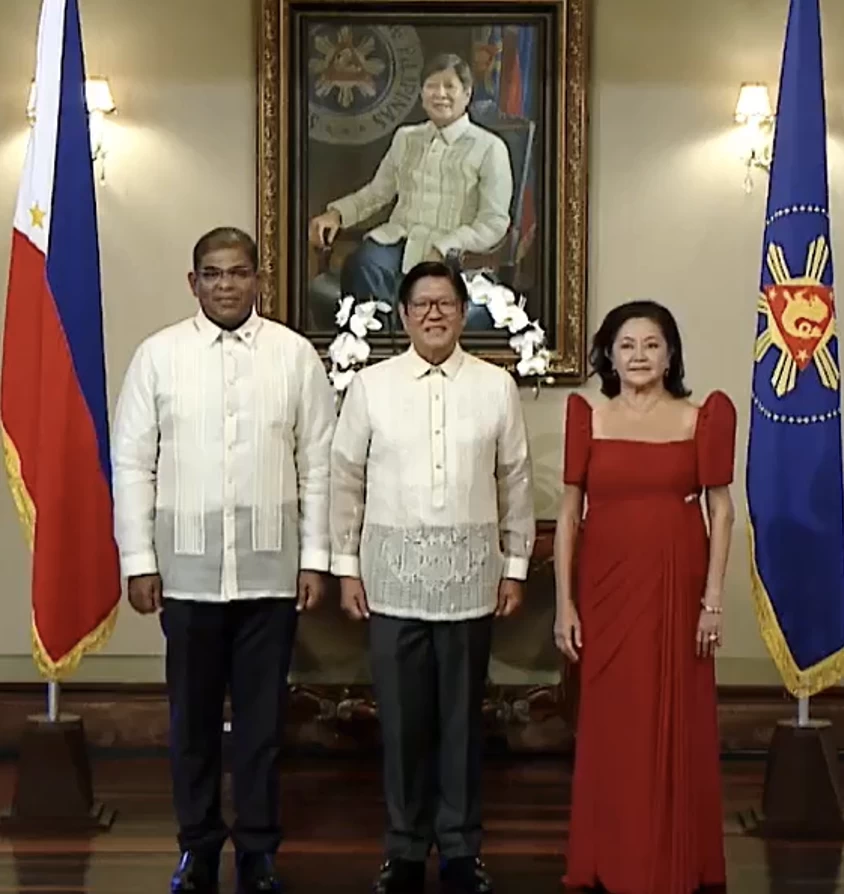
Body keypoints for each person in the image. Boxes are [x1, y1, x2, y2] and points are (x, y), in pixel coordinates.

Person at [111, 227, 335, 894]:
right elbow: (132, 464)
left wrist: (315, 557)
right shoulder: (158, 357)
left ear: (258, 280)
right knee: (193, 723)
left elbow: (317, 465)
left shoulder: (295, 357)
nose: (226, 285)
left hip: (270, 571)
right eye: (213, 274)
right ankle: (199, 846)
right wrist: (138, 559)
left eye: (238, 273)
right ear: (194, 283)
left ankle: (260, 851)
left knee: (263, 725)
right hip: (185, 573)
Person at [329, 261, 534, 894]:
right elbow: (345, 479)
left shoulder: (496, 385)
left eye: (445, 303)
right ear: (404, 312)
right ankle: (404, 848)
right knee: (401, 724)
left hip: (472, 581)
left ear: (463, 310)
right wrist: (345, 568)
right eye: (422, 304)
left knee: (462, 723)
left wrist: (516, 564)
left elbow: (516, 479)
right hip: (390, 581)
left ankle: (461, 848)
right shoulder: (371, 385)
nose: (434, 314)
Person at [554, 300, 734, 894]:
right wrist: (564, 603)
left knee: (673, 719)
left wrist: (712, 599)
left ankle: (673, 859)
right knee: (613, 722)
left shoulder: (701, 417)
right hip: (604, 587)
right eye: (627, 345)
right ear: (609, 354)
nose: (638, 356)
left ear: (671, 354)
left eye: (651, 345)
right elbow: (568, 514)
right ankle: (612, 855)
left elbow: (722, 510)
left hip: (678, 588)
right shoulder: (588, 417)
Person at [308, 53, 513, 317]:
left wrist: (446, 245)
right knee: (363, 264)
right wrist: (336, 213)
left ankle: (411, 351)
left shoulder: (490, 148)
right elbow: (376, 193)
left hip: (454, 253)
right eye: (431, 86)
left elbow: (494, 222)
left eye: (449, 86)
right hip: (399, 239)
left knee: (426, 286)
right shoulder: (406, 138)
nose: (440, 94)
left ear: (467, 94)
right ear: (421, 94)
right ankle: (379, 350)